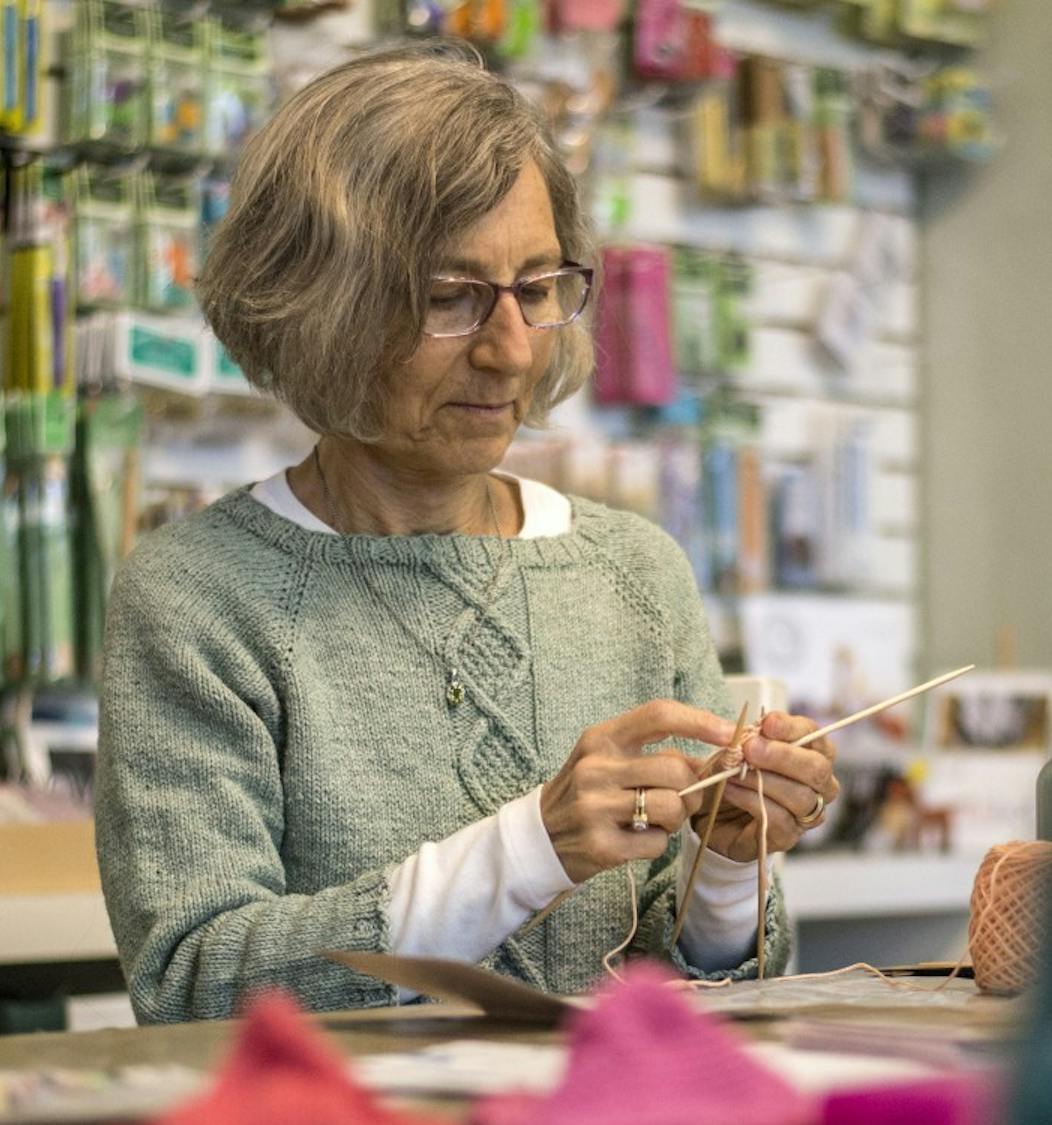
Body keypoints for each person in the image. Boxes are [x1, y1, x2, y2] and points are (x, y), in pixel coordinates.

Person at [94, 43, 841, 1025]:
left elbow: (698, 986)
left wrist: (728, 871)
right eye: (450, 297)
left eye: (536, 288)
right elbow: (192, 983)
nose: (511, 348)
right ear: (319, 305)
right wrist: (527, 852)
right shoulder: (201, 594)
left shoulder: (631, 574)